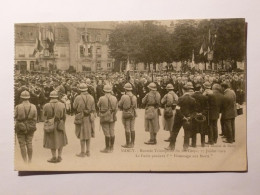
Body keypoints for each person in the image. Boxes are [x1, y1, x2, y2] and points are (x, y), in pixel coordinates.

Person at [165, 82, 196, 151]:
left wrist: (182, 117)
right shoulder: (193, 100)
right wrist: (189, 117)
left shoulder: (180, 99)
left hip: (179, 118)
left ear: (183, 90)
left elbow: (177, 109)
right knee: (187, 133)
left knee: (175, 132)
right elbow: (194, 111)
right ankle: (185, 147)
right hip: (188, 118)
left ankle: (171, 146)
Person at [43, 91, 68, 163]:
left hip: (50, 124)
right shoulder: (62, 105)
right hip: (59, 123)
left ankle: (54, 157)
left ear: (50, 97)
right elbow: (64, 116)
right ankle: (59, 156)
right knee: (61, 140)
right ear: (57, 97)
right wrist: (62, 123)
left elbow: (44, 116)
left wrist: (48, 121)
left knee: (51, 140)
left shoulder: (46, 105)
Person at [73, 83, 96, 157]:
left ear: (80, 90)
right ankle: (88, 151)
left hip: (81, 117)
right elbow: (93, 109)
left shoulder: (78, 97)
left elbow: (74, 106)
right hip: (89, 118)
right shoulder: (91, 97)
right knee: (88, 134)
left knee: (82, 135)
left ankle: (82, 152)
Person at [15, 91, 37, 163]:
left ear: (21, 98)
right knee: (29, 143)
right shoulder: (33, 106)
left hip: (20, 127)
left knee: (22, 144)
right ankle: (30, 161)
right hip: (30, 127)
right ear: (29, 97)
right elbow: (35, 118)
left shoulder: (18, 107)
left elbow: (15, 117)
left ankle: (25, 162)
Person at [97, 84, 118, 153]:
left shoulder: (101, 98)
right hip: (112, 116)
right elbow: (116, 108)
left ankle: (107, 148)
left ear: (104, 91)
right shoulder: (114, 98)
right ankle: (112, 147)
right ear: (110, 90)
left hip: (104, 116)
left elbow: (98, 105)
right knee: (112, 131)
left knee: (106, 132)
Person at [118, 83, 137, 148]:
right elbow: (135, 106)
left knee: (127, 128)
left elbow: (120, 104)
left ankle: (127, 143)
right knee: (132, 128)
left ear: (125, 89)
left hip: (126, 113)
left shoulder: (124, 96)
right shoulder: (134, 97)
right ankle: (132, 143)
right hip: (133, 113)